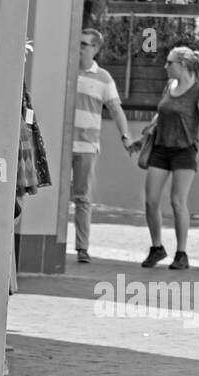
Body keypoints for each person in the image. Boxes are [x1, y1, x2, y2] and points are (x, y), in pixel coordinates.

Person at [133, 47, 199, 270]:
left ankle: (181, 253)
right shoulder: (169, 86)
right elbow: (161, 114)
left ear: (183, 65)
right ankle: (157, 248)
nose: (165, 66)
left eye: (169, 63)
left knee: (177, 202)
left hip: (184, 151)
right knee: (150, 200)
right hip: (160, 148)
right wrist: (143, 136)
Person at [73, 28, 134, 264]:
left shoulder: (104, 78)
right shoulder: (67, 72)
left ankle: (82, 248)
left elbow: (116, 110)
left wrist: (126, 136)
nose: (79, 47)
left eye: (84, 44)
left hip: (87, 146)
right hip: (61, 144)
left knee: (82, 197)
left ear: (96, 49)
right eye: (78, 42)